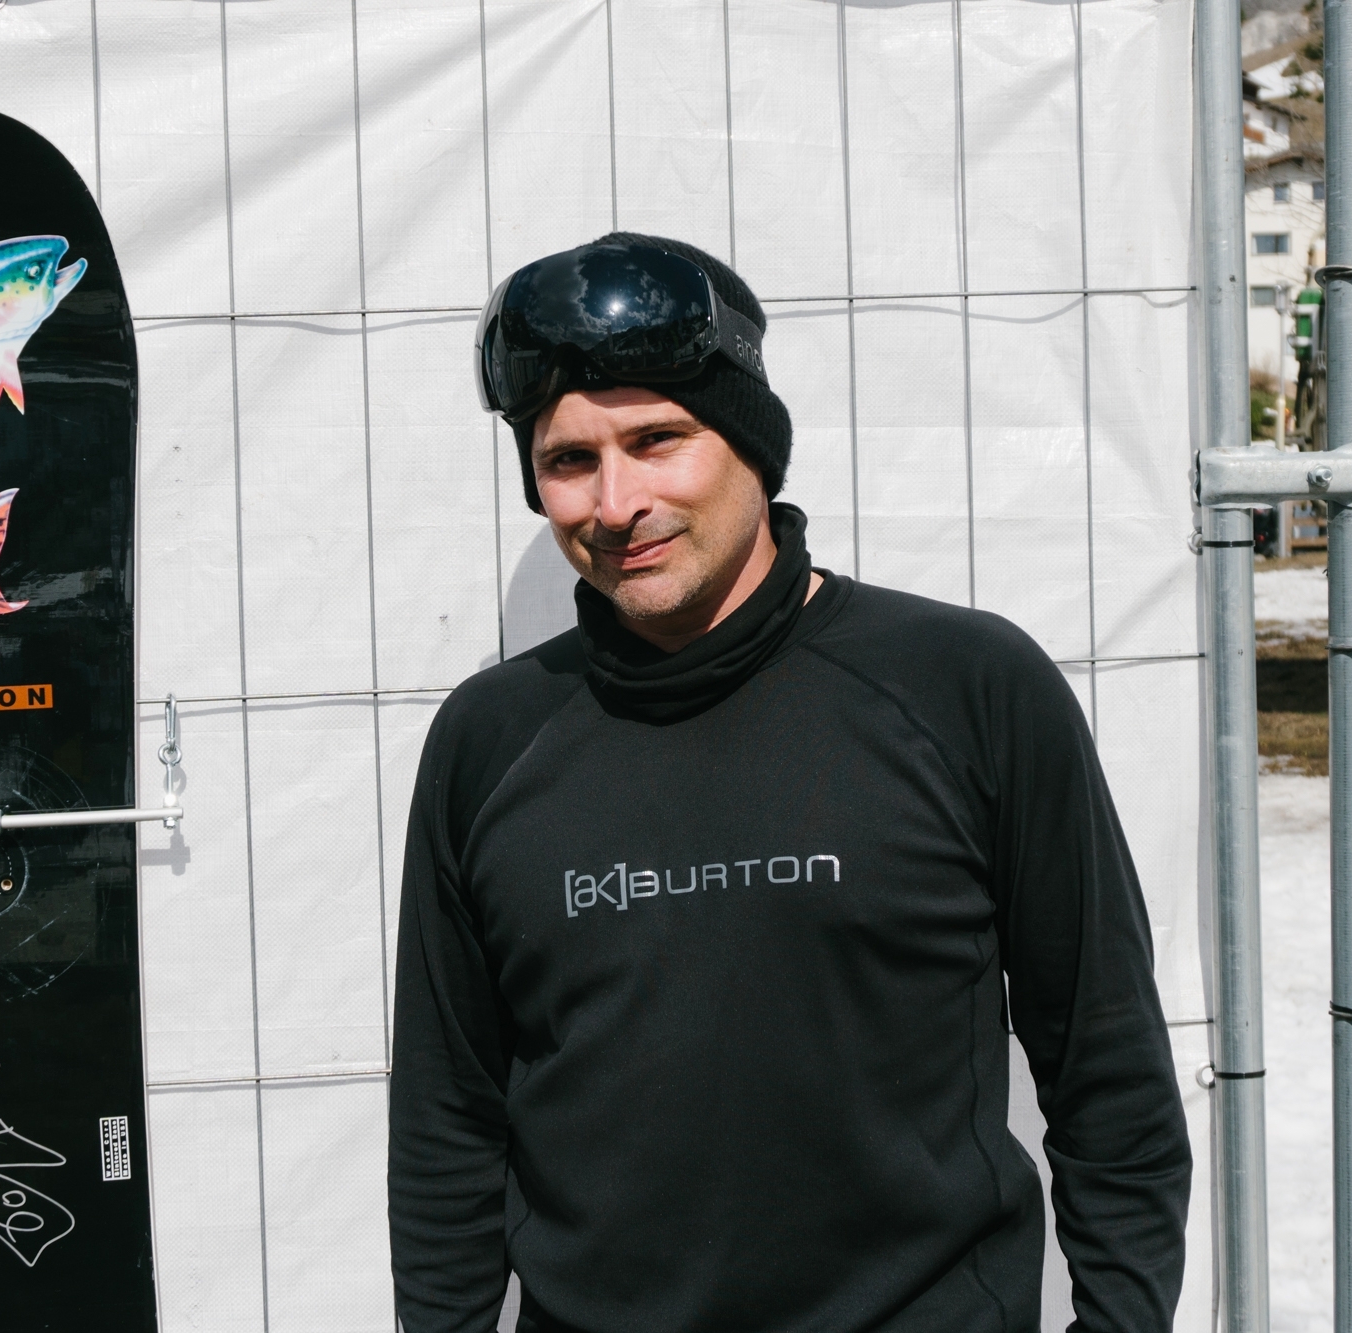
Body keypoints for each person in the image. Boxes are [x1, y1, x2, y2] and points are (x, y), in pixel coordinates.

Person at [388, 234, 1191, 1333]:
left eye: (657, 439)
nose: (615, 502)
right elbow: (446, 1126)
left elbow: (1107, 1074)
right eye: (569, 459)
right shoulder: (487, 742)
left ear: (751, 444)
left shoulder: (967, 689)